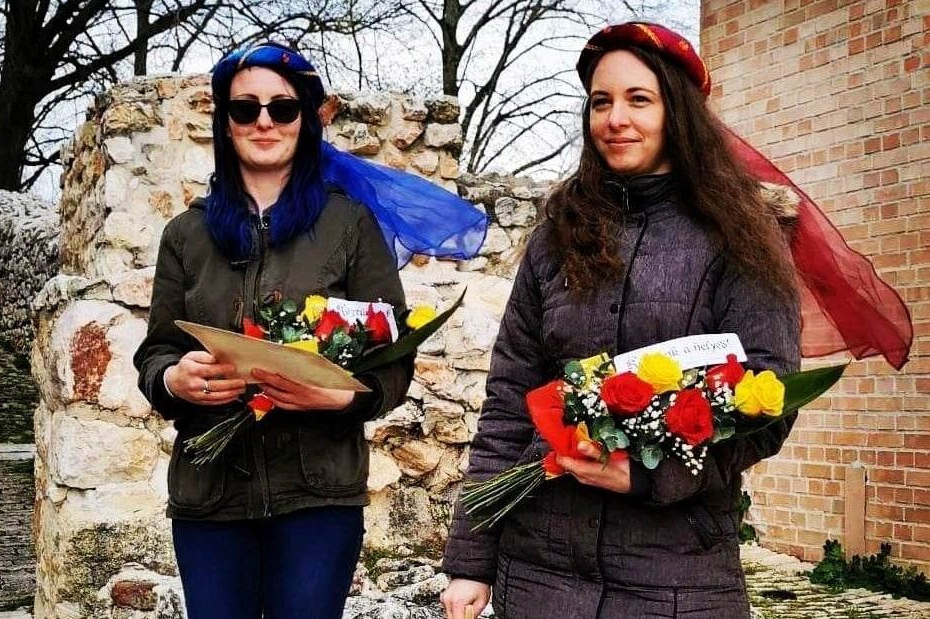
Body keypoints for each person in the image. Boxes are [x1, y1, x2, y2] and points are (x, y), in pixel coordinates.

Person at [442, 22, 806, 619]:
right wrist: (471, 559)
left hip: (677, 578)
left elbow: (769, 404)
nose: (615, 119)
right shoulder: (556, 235)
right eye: (600, 101)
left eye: (639, 99)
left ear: (678, 112)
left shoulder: (740, 234)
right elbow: (508, 401)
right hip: (539, 574)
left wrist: (645, 476)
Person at [133, 42, 484, 619]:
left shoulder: (349, 225)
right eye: (245, 108)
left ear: (307, 117)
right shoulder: (185, 235)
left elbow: (393, 360)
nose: (264, 121)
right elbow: (157, 352)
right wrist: (175, 379)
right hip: (209, 495)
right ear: (224, 121)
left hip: (318, 496)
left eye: (283, 107)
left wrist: (342, 396)